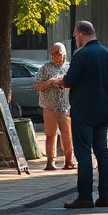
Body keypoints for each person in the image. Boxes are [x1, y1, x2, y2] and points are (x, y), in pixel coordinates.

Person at [61, 21, 108, 210]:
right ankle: (106, 195)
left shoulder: (82, 55)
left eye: (75, 36)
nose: (75, 40)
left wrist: (57, 82)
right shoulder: (107, 54)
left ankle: (85, 196)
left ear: (79, 34)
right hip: (103, 109)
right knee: (102, 151)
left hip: (84, 110)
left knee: (84, 154)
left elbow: (70, 80)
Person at [33, 42, 75, 171]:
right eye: (54, 53)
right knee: (50, 134)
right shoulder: (45, 68)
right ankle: (50, 162)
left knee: (67, 134)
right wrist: (49, 82)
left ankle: (69, 161)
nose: (56, 56)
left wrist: (62, 83)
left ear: (64, 55)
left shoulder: (70, 67)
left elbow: (76, 83)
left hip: (65, 106)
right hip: (49, 106)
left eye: (59, 53)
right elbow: (36, 85)